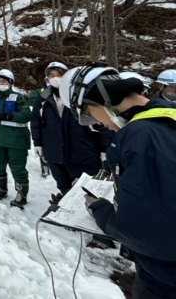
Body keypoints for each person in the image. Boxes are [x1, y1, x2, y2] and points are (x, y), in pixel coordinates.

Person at [60, 64, 176, 298]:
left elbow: (144, 229)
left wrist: (99, 209)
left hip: (164, 276)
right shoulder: (167, 119)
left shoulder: (140, 136)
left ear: (99, 101)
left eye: (88, 114)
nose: (97, 124)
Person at [30, 62, 104, 195]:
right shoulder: (43, 99)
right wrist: (38, 143)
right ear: (47, 78)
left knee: (89, 189)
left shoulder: (81, 96)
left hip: (82, 152)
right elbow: (36, 121)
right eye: (51, 75)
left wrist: (104, 148)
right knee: (64, 187)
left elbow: (101, 123)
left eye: (59, 74)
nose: (55, 78)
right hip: (55, 152)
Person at [0, 69, 32, 208]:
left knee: (17, 167)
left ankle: (21, 195)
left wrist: (8, 115)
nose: (0, 83)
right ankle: (1, 190)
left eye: (3, 81)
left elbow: (26, 115)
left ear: (10, 82)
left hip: (16, 139)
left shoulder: (18, 97)